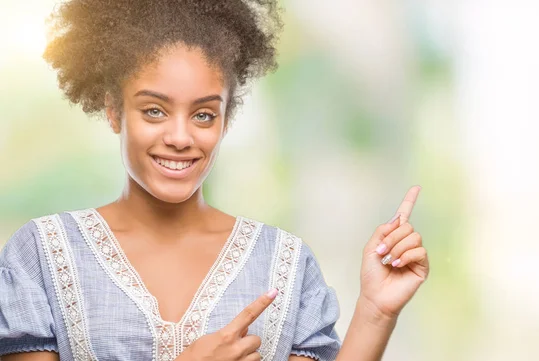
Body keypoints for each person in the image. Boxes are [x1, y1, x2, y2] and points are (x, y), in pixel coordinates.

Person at [0, 0, 429, 360]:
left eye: (203, 114)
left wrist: (376, 311)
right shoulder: (42, 255)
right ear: (114, 109)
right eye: (154, 110)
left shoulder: (284, 263)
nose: (180, 137)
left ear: (225, 120)